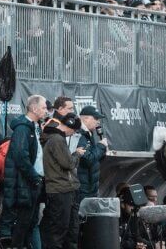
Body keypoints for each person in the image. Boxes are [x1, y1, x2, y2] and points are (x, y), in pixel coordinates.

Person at [3, 94, 47, 249]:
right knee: (22, 224)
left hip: (32, 183)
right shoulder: (22, 129)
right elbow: (21, 156)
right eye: (43, 107)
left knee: (31, 223)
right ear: (34, 108)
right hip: (25, 184)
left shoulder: (34, 127)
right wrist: (34, 177)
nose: (46, 111)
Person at [41, 112, 84, 249]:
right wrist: (77, 154)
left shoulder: (56, 138)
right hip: (60, 190)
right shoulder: (57, 139)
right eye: (75, 131)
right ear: (71, 128)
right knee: (59, 231)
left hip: (66, 189)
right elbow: (68, 164)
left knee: (70, 230)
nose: (73, 134)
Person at [69, 105, 109, 249]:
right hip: (82, 188)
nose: (98, 122)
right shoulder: (80, 134)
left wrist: (102, 150)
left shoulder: (90, 134)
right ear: (85, 118)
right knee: (78, 226)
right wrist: (100, 147)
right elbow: (87, 159)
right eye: (95, 118)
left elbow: (94, 159)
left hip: (90, 187)